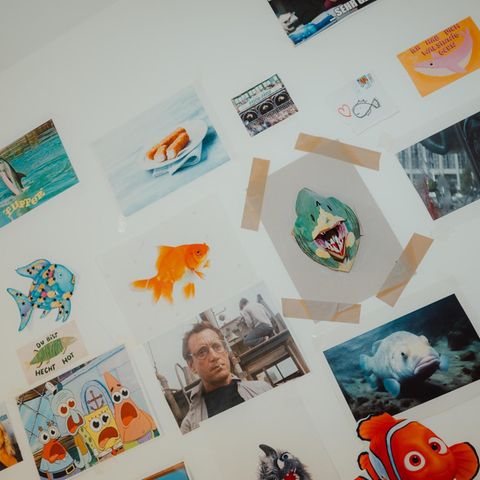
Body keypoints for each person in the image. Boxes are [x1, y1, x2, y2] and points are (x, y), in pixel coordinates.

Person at [180, 322, 272, 434]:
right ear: (192, 366)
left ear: (226, 350)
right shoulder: (189, 426)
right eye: (202, 352)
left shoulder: (262, 390)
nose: (214, 356)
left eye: (217, 346)